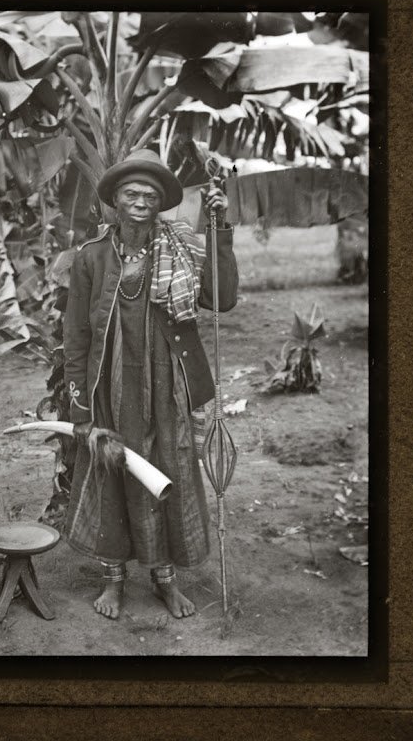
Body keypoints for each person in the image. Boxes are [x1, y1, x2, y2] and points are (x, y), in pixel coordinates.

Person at [62, 149, 238, 620]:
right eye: (131, 193)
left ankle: (165, 580)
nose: (141, 201)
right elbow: (76, 335)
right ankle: (114, 581)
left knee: (170, 471)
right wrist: (81, 410)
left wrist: (220, 230)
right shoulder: (92, 258)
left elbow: (221, 299)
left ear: (160, 204)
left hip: (168, 381)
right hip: (110, 383)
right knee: (114, 469)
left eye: (150, 195)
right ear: (115, 201)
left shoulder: (182, 248)